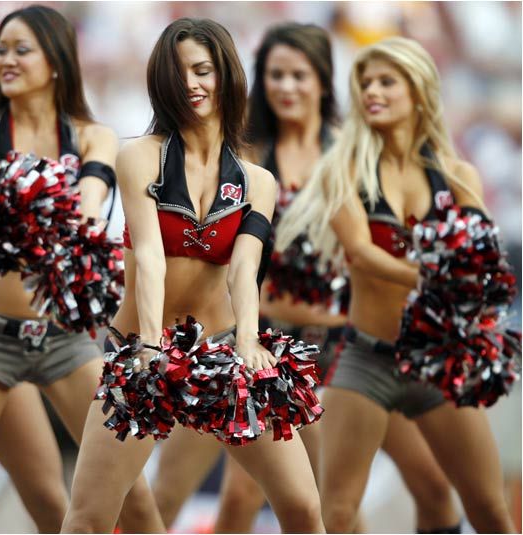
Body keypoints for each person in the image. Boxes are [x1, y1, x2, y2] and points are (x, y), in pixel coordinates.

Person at [153, 23, 460, 534]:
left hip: (342, 350)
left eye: (299, 75)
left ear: (322, 80)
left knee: (406, 490)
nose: (287, 87)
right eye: (276, 75)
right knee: (218, 494)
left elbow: (389, 241)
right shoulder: (243, 154)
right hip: (252, 342)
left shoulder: (354, 155)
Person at [61, 17, 324, 534]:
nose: (191, 84)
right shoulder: (140, 156)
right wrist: (149, 345)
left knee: (303, 507)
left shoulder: (258, 181)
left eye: (202, 70)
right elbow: (150, 258)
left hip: (221, 350)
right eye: (178, 72)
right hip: (143, 352)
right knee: (89, 518)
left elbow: (244, 270)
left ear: (226, 75)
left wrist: (248, 341)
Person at [277, 35, 515, 534]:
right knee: (336, 513)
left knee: (491, 510)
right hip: (368, 359)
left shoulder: (458, 175)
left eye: (387, 81)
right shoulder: (343, 170)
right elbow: (362, 254)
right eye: (365, 83)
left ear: (419, 91)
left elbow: (482, 261)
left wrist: (474, 289)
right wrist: (437, 274)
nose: (372, 91)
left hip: (439, 357)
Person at [0, 7, 163, 534]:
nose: (7, 60)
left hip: (64, 339)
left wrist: (19, 217)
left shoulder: (93, 136)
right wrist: (42, 217)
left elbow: (86, 216)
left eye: (22, 50)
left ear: (57, 61)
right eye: (1, 50)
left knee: (131, 498)